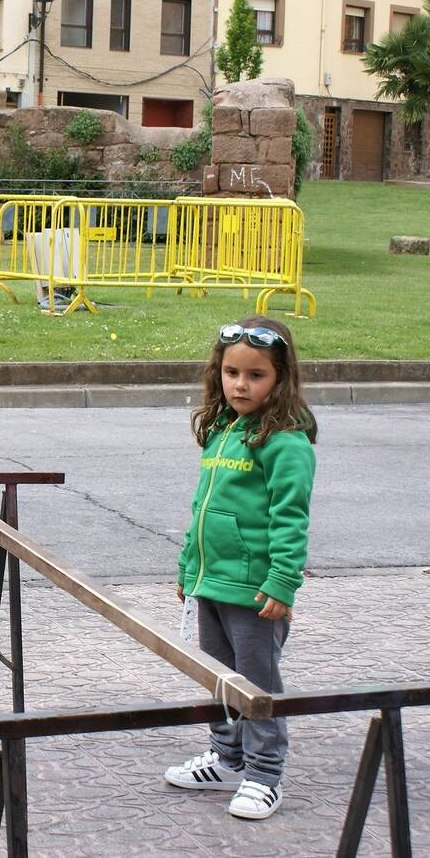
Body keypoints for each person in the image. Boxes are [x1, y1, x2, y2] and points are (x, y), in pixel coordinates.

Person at [162, 316, 317, 820]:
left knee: (258, 685)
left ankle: (264, 774)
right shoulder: (223, 431)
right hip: (212, 583)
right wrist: (189, 569)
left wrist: (283, 582)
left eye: (255, 375)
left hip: (254, 592)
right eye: (232, 372)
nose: (240, 384)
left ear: (281, 378)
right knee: (220, 679)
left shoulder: (286, 442)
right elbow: (201, 508)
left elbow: (289, 519)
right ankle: (227, 757)